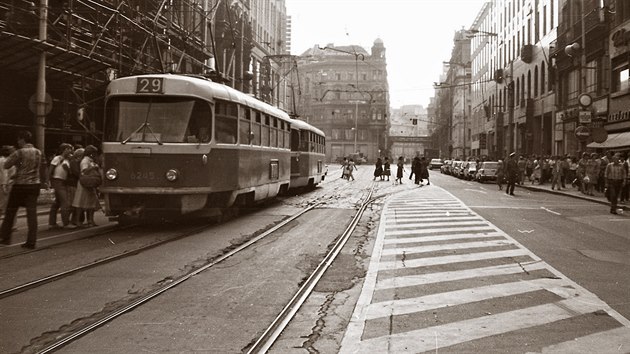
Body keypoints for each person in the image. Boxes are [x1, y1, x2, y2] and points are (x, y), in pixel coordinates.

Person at [0, 130, 44, 249]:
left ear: (22, 139)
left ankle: (5, 237)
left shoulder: (19, 152)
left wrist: (13, 155)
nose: (18, 142)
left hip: (20, 185)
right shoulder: (38, 152)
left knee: (10, 211)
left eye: (19, 139)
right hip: (34, 185)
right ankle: (31, 241)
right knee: (32, 213)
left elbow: (6, 165)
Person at [72, 145, 101, 227]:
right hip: (84, 183)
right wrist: (93, 167)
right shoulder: (85, 161)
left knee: (91, 202)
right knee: (80, 202)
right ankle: (79, 221)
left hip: (90, 183)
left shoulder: (90, 160)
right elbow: (84, 171)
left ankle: (90, 220)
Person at [48, 143, 74, 229]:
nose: (70, 151)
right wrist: (49, 181)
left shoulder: (68, 160)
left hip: (63, 181)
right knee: (65, 202)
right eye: (68, 149)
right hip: (57, 181)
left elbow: (69, 172)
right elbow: (51, 169)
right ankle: (65, 223)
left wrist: (68, 168)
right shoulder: (58, 158)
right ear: (64, 150)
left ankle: (52, 223)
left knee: (57, 203)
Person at [66, 147, 84, 227]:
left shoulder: (76, 162)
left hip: (75, 184)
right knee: (73, 203)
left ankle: (74, 220)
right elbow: (76, 173)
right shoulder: (74, 162)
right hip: (72, 184)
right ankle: (68, 221)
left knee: (75, 203)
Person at [0, 145, 16, 217]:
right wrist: (4, 184)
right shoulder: (4, 161)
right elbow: (4, 173)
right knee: (4, 204)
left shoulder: (5, 160)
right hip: (6, 184)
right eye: (12, 150)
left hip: (7, 183)